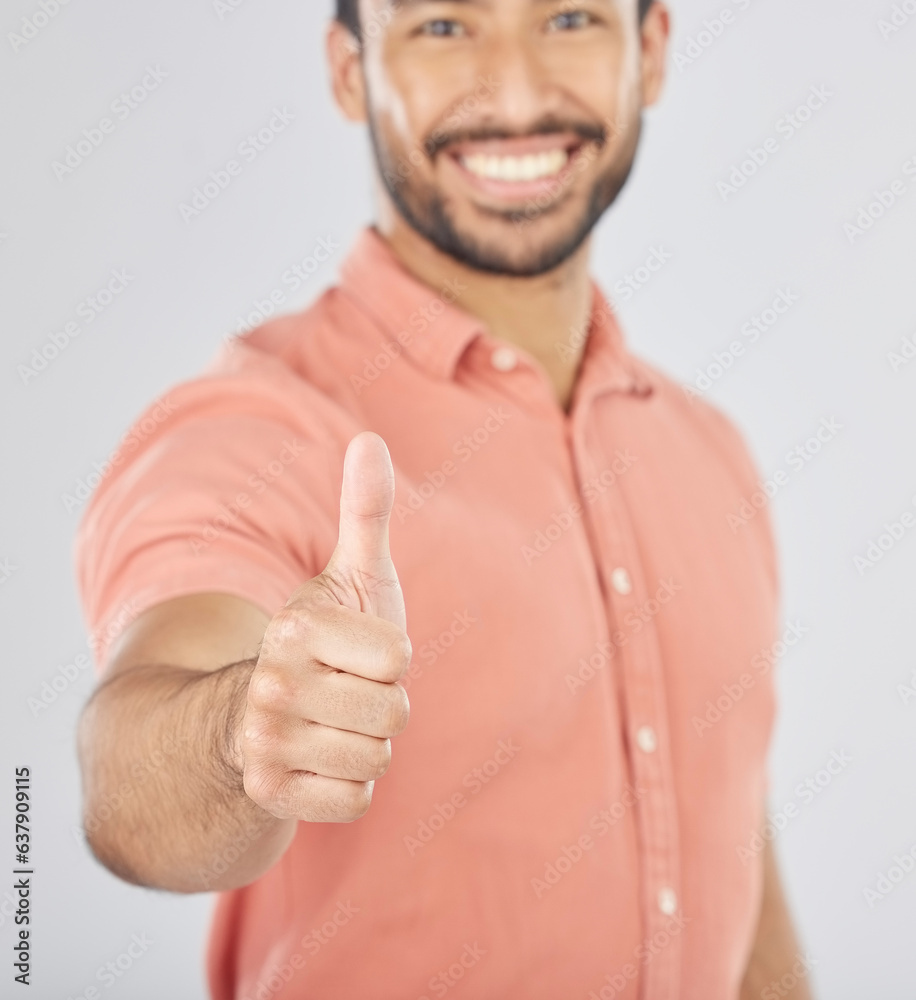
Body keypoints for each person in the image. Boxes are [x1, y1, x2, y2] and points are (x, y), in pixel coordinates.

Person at [74, 1, 813, 997]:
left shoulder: (708, 452)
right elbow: (127, 785)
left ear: (649, 50)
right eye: (442, 27)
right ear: (348, 70)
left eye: (568, 17)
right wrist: (242, 730)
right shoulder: (259, 427)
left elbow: (735, 853)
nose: (512, 94)